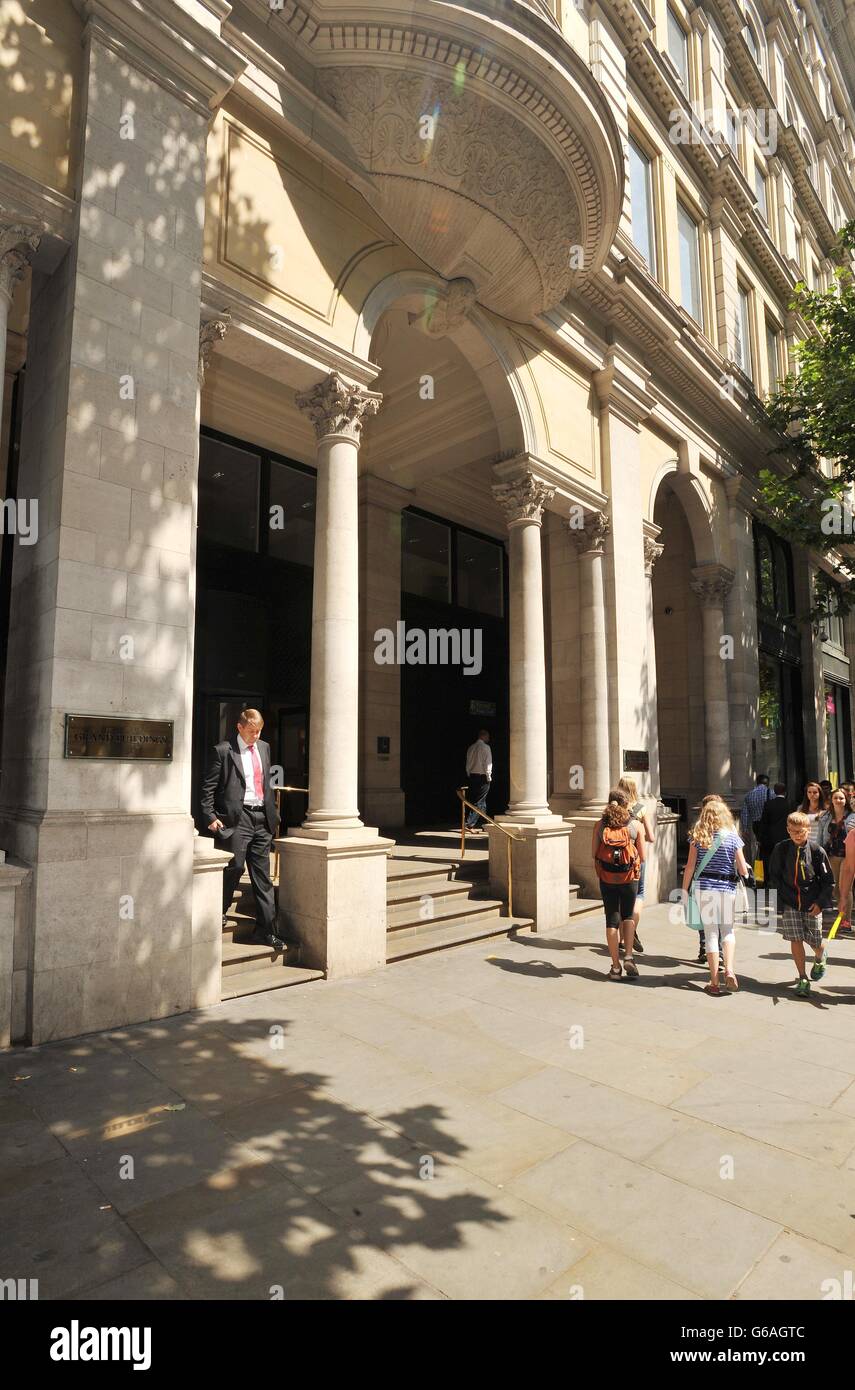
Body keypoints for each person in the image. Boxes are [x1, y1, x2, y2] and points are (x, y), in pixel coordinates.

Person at [200, 707, 284, 951]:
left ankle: (266, 931)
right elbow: (208, 787)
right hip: (237, 819)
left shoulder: (265, 747)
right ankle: (219, 910)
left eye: (258, 732)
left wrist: (273, 815)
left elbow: (266, 782)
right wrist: (209, 816)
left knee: (263, 878)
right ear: (239, 727)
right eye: (251, 732)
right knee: (235, 866)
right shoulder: (223, 751)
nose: (255, 736)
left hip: (262, 818)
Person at [682, 796, 748, 996]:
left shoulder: (698, 836)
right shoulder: (733, 837)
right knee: (727, 931)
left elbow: (690, 866)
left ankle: (714, 982)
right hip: (727, 888)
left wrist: (684, 891)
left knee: (711, 933)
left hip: (704, 888)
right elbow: (743, 869)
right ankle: (729, 969)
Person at [768, 811, 834, 996]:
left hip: (812, 903)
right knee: (796, 939)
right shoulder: (780, 849)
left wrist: (821, 903)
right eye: (794, 831)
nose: (798, 834)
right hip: (789, 903)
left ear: (808, 829)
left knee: (815, 941)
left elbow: (828, 881)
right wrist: (780, 903)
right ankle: (803, 977)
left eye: (801, 831)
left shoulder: (817, 851)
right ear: (788, 830)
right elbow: (774, 877)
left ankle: (821, 955)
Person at [592, 788, 645, 981]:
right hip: (629, 878)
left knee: (611, 919)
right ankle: (629, 955)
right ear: (626, 804)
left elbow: (594, 853)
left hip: (606, 877)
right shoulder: (636, 825)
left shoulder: (599, 825)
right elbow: (643, 856)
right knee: (628, 916)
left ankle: (615, 967)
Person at [617, 776, 655, 954]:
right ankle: (628, 936)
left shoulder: (613, 808)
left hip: (616, 860)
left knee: (620, 897)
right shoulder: (640, 808)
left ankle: (620, 937)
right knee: (638, 894)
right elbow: (651, 837)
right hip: (636, 858)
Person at [818, 787, 855, 923]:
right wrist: (818, 854)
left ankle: (846, 920)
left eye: (841, 798)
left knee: (845, 887)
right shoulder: (825, 816)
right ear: (831, 800)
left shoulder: (852, 817)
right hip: (832, 855)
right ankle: (841, 913)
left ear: (846, 800)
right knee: (835, 889)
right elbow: (820, 838)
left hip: (848, 856)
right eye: (835, 798)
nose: (838, 800)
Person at [757, 783, 791, 881]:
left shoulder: (768, 804)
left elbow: (764, 822)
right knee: (783, 859)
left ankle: (770, 879)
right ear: (785, 792)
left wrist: (760, 838)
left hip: (770, 838)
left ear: (774, 792)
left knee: (769, 859)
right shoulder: (789, 804)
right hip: (785, 836)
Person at [739, 774, 772, 865]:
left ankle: (758, 866)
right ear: (767, 783)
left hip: (756, 825)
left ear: (757, 782)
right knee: (769, 847)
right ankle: (767, 866)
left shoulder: (749, 795)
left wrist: (745, 828)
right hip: (769, 824)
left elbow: (745, 814)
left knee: (757, 847)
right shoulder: (772, 793)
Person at [464, 729, 492, 833]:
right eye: (488, 737)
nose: (488, 739)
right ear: (484, 736)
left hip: (472, 776)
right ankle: (469, 824)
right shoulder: (485, 747)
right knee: (479, 801)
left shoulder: (471, 747)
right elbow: (487, 763)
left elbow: (468, 763)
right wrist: (488, 776)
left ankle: (486, 824)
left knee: (480, 800)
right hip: (482, 776)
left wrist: (469, 774)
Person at [799, 781, 828, 845]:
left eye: (815, 792)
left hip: (820, 844)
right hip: (805, 844)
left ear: (819, 793)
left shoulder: (826, 810)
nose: (812, 794)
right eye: (809, 792)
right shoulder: (801, 809)